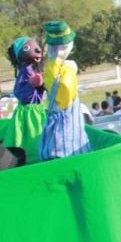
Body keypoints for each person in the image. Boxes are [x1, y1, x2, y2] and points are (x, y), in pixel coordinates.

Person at [39, 20, 91, 160]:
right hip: (68, 134)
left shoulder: (49, 68)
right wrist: (70, 70)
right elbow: (66, 99)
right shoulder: (66, 71)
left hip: (53, 129)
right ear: (67, 46)